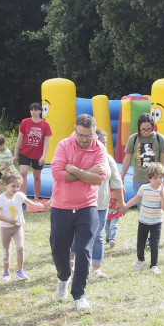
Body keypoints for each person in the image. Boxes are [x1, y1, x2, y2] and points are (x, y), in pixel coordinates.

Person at [49, 114, 108, 311]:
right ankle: (63, 278)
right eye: (81, 134)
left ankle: (79, 294)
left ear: (94, 132)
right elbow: (57, 174)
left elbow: (99, 179)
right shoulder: (64, 145)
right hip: (61, 206)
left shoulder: (100, 148)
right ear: (75, 129)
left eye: (89, 136)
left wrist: (74, 169)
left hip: (87, 206)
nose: (84, 139)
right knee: (59, 249)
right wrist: (88, 172)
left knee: (83, 249)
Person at [0, 172, 50, 281]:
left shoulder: (20, 196)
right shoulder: (0, 199)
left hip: (18, 227)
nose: (16, 189)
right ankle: (6, 272)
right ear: (5, 185)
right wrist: (8, 220)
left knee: (20, 247)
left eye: (18, 186)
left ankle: (20, 271)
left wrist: (44, 207)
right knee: (6, 250)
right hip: (5, 228)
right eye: (13, 186)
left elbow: (32, 204)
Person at [121, 164, 164, 274]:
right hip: (143, 220)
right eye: (155, 178)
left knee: (154, 244)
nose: (158, 180)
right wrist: (126, 206)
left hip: (156, 222)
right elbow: (135, 199)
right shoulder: (144, 188)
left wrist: (162, 195)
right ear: (149, 178)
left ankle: (154, 265)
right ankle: (140, 259)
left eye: (161, 177)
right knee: (140, 243)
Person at [91, 128, 123, 279]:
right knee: (78, 235)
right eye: (100, 142)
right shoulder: (84, 156)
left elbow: (117, 181)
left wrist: (121, 203)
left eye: (105, 143)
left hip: (101, 203)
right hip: (82, 203)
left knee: (98, 236)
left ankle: (96, 268)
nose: (103, 145)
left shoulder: (108, 159)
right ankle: (72, 263)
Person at [120, 113, 164, 196]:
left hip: (156, 179)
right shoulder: (133, 139)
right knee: (141, 207)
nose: (146, 131)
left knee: (155, 206)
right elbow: (127, 160)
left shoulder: (159, 138)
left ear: (153, 127)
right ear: (139, 128)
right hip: (139, 180)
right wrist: (122, 177)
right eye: (143, 129)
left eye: (149, 129)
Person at [14, 102, 52, 202]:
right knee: (23, 173)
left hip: (38, 155)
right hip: (25, 152)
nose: (33, 112)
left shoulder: (45, 124)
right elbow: (20, 138)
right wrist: (15, 154)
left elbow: (47, 141)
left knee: (37, 177)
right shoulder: (25, 122)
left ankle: (36, 197)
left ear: (40, 111)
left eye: (36, 110)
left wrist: (44, 156)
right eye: (32, 110)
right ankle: (23, 197)